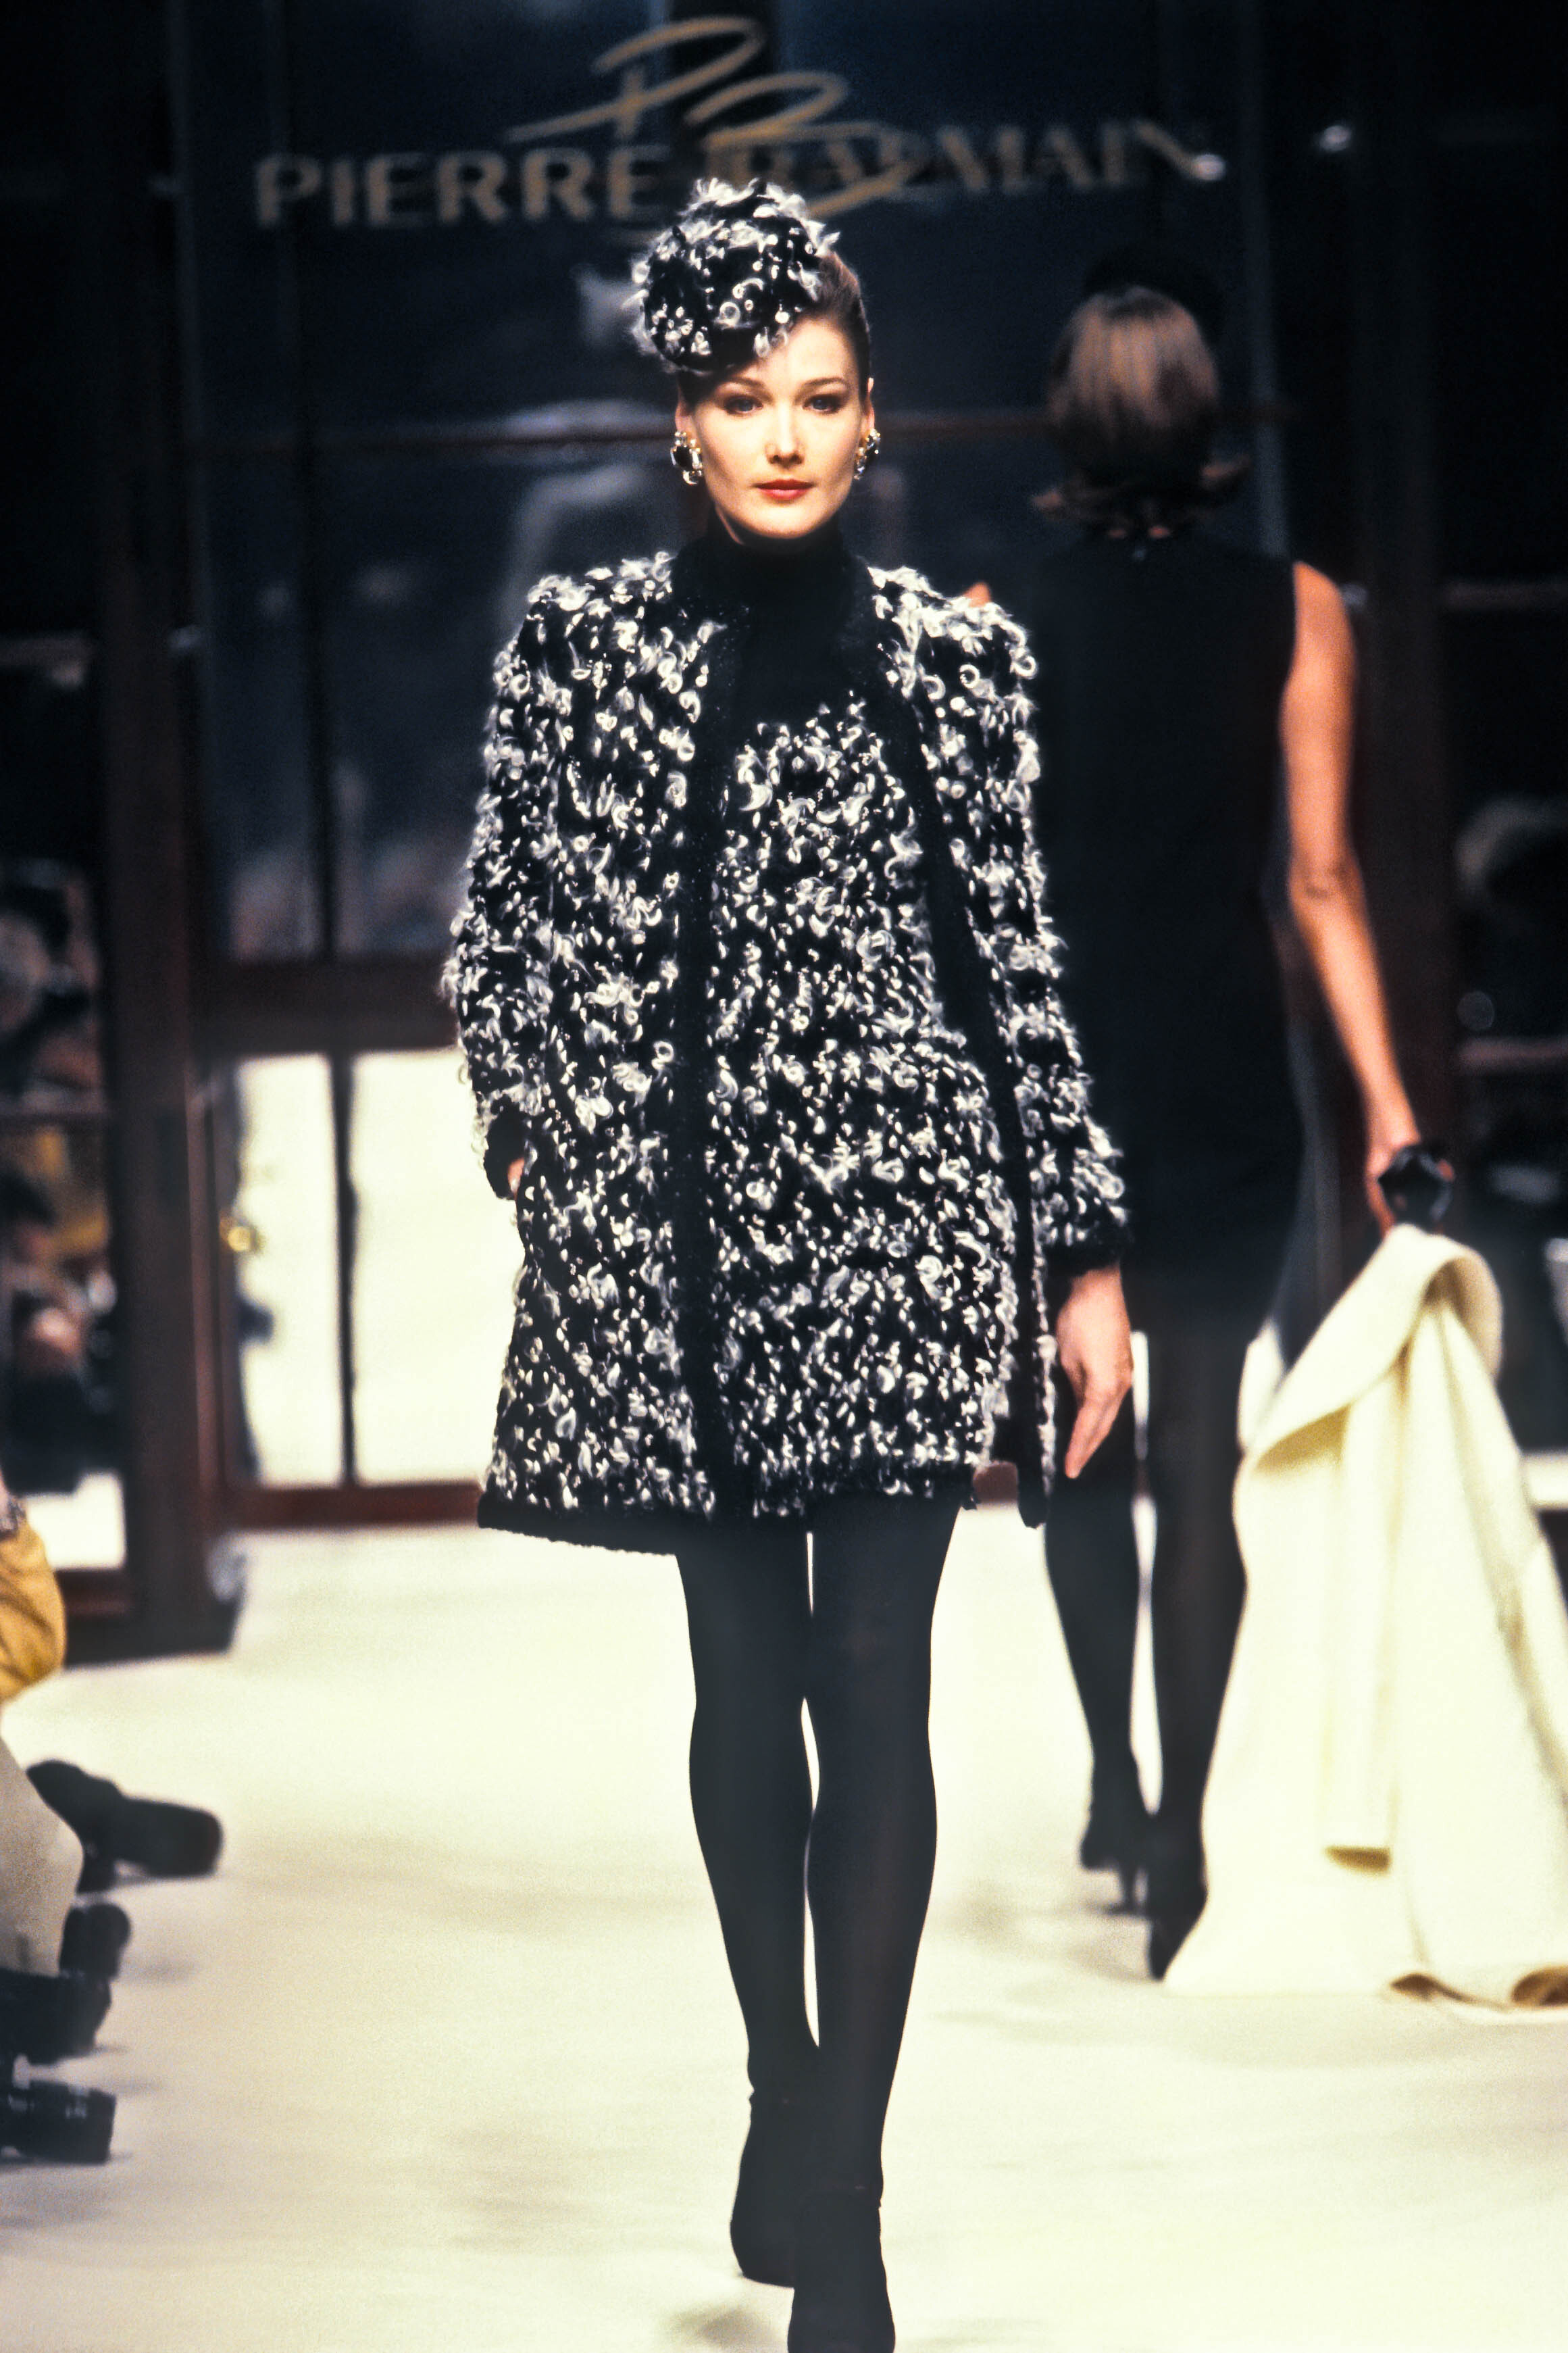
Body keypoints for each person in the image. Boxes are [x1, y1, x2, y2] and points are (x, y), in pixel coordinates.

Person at [446, 181, 1131, 2353]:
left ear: (871, 414)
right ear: (683, 415)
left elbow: (1016, 976)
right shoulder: (579, 650)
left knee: (875, 1684)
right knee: (748, 1691)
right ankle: (780, 2069)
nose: (783, 435)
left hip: (906, 1224)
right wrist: (539, 1130)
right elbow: (500, 934)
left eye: (820, 398)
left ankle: (846, 2196)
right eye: (745, 397)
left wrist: (1081, 1250)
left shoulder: (960, 660)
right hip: (681, 1244)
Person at [1023, 279, 1425, 1979]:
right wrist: (1389, 1111)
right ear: (1204, 423)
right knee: (1199, 1454)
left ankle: (1116, 1786)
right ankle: (1183, 1838)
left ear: (1068, 420)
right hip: (1220, 1064)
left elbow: (978, 905)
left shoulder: (988, 621)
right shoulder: (1299, 608)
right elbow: (1321, 878)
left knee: (1079, 1440)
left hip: (1063, 1077)